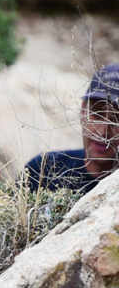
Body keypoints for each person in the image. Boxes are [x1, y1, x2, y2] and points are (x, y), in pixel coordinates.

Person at [25, 64, 119, 198]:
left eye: (116, 119)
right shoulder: (43, 169)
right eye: (97, 113)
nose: (104, 131)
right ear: (82, 111)